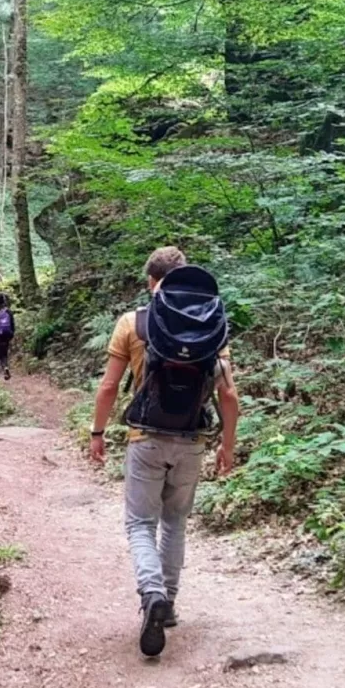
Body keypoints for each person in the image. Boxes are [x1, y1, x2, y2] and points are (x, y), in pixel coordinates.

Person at [87, 246, 240, 659]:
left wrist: (97, 432)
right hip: (192, 440)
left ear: (152, 282)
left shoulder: (133, 322)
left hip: (145, 439)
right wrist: (227, 445)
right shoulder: (213, 323)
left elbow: (107, 387)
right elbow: (228, 395)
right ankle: (167, 603)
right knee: (175, 522)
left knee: (140, 524)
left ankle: (151, 593)